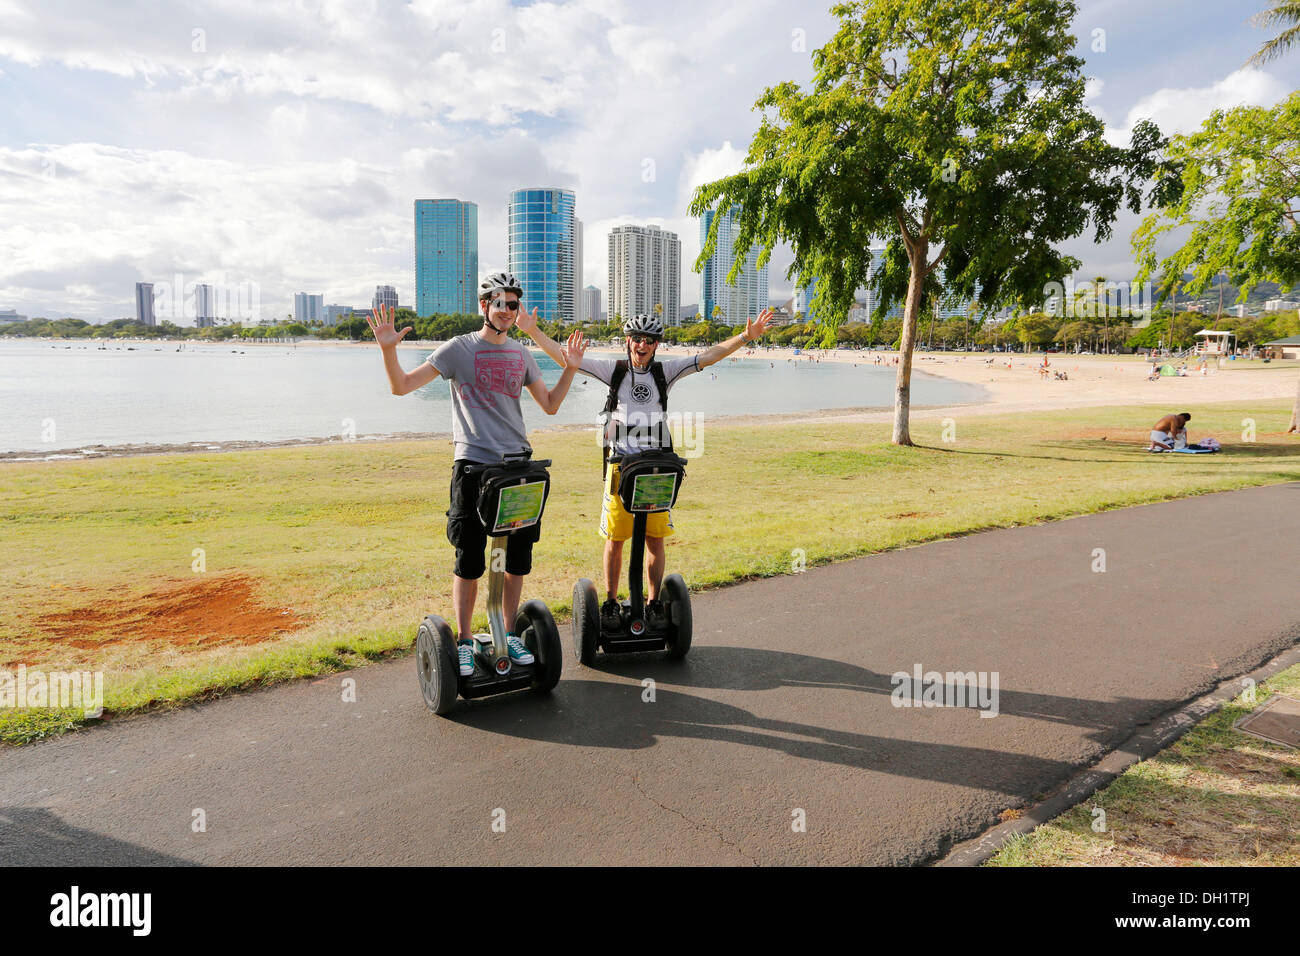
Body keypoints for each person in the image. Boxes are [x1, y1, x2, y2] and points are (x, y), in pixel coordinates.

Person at [368, 272, 586, 676]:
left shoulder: (522, 354)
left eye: (512, 304)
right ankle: (466, 640)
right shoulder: (457, 349)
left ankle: (505, 633)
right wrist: (387, 351)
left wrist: (570, 368)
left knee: (517, 558)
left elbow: (551, 406)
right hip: (473, 467)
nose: (506, 310)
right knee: (470, 559)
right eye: (499, 302)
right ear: (483, 306)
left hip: (518, 465)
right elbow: (401, 387)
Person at [517, 308, 774, 629]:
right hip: (620, 470)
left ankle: (653, 603)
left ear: (656, 346)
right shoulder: (615, 371)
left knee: (655, 539)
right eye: (637, 339)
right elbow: (566, 359)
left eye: (649, 341)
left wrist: (745, 337)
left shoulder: (665, 372)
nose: (642, 345)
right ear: (628, 342)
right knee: (615, 539)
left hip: (655, 470)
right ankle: (610, 602)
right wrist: (532, 332)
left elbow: (707, 357)